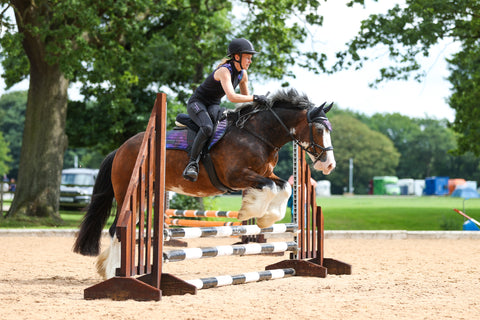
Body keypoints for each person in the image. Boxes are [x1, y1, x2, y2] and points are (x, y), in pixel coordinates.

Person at [182, 38, 268, 182]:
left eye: (251, 58)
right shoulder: (224, 71)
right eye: (248, 58)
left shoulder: (243, 74)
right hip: (197, 103)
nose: (250, 61)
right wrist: (255, 97)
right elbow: (232, 97)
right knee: (207, 128)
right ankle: (192, 164)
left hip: (213, 104)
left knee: (224, 126)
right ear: (236, 57)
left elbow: (246, 101)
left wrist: (260, 106)